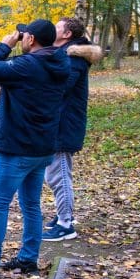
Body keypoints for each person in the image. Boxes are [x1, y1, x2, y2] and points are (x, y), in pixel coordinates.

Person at [0, 19, 69, 279]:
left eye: (25, 35)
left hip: (19, 147)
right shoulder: (59, 62)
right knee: (31, 204)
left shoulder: (29, 64)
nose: (22, 39)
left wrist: (5, 45)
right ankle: (28, 258)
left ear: (30, 39)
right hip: (42, 147)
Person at [42, 17, 103, 241]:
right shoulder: (66, 55)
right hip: (61, 122)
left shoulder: (73, 59)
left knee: (59, 175)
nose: (53, 29)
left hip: (64, 124)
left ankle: (66, 224)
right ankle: (63, 214)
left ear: (67, 34)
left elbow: (60, 88)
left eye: (58, 27)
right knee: (56, 173)